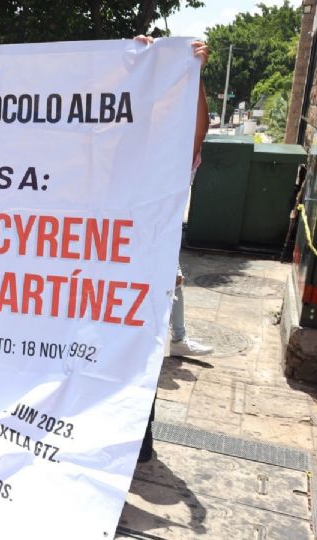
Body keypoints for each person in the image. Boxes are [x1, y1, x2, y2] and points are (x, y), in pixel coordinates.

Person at [137, 35, 211, 463]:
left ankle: (139, 439)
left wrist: (192, 73)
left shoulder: (171, 156)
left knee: (138, 352)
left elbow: (196, 131)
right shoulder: (107, 151)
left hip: (144, 282)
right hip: (94, 280)